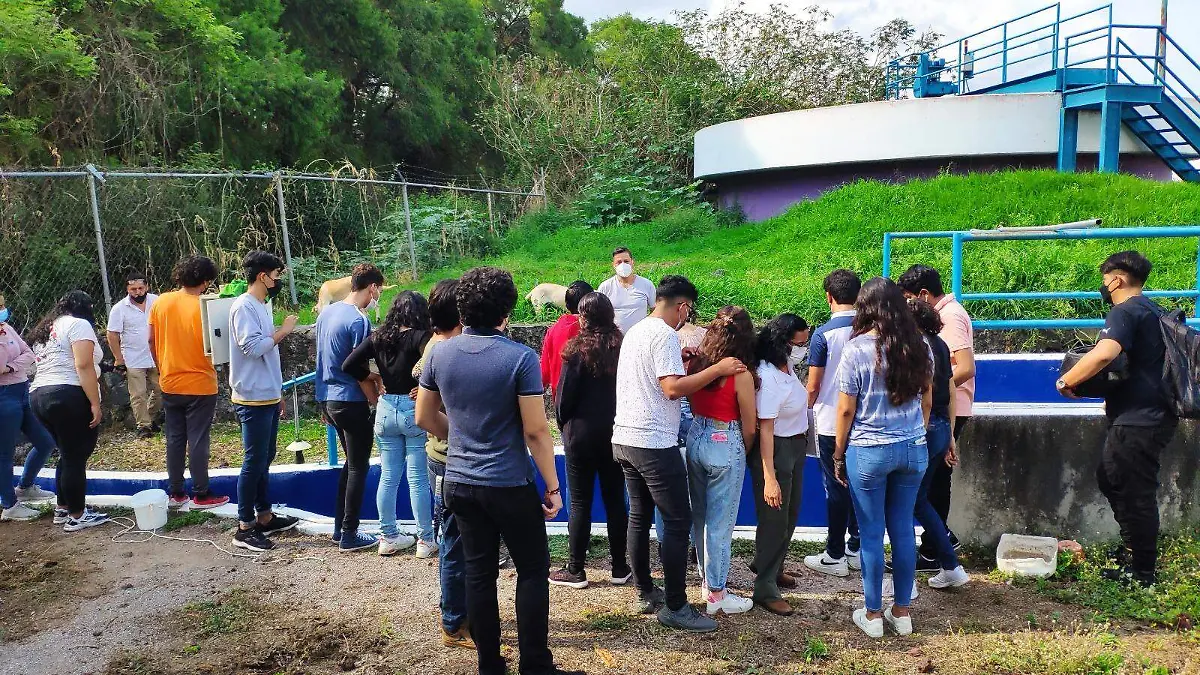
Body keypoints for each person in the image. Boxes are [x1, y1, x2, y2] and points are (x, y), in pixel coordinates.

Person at [415, 266, 580, 675]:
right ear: (506, 311)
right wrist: (553, 488)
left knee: (478, 572)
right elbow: (536, 431)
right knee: (532, 571)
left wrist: (462, 437)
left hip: (459, 481)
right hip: (508, 482)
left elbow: (424, 417)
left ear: (462, 309)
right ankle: (535, 665)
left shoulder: (439, 354)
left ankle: (489, 664)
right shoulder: (519, 359)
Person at [611, 274, 746, 633]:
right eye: (689, 310)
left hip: (625, 437)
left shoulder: (637, 330)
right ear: (683, 307)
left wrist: (682, 361)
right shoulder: (665, 335)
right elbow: (672, 389)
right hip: (653, 442)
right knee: (676, 520)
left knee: (639, 515)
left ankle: (645, 591)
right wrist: (718, 369)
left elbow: (656, 376)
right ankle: (675, 605)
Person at [1057, 251, 1177, 587]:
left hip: (1140, 419)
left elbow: (1105, 353)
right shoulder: (1153, 310)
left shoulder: (1125, 310)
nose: (1104, 286)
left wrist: (1066, 381)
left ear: (1117, 279)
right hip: (1146, 415)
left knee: (1134, 491)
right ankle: (1133, 552)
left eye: (1105, 279)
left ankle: (1142, 573)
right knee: (1112, 478)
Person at [832, 277, 932, 639]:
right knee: (903, 529)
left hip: (868, 449)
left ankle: (873, 614)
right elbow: (927, 400)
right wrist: (915, 433)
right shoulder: (920, 344)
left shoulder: (856, 349)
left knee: (871, 534)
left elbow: (846, 410)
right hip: (912, 447)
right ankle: (902, 612)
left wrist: (838, 453)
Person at [550, 292, 631, 589]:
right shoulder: (622, 347)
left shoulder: (575, 350)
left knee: (580, 501)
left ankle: (576, 568)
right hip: (615, 431)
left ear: (584, 318)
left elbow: (563, 399)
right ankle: (620, 566)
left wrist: (564, 425)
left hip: (580, 434)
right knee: (615, 499)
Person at [897, 264, 974, 569]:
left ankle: (935, 549)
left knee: (928, 490)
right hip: (943, 413)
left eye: (908, 298)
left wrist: (932, 388)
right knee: (929, 488)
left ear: (924, 294)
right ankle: (939, 546)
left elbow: (965, 367)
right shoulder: (939, 333)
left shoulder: (949, 318)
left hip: (940, 412)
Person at [344, 290, 432, 557]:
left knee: (389, 475)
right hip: (412, 406)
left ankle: (388, 536)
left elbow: (349, 364)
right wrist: (423, 386)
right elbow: (434, 364)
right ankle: (425, 540)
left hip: (385, 408)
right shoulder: (421, 337)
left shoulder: (379, 336)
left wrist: (373, 377)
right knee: (417, 478)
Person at [685, 306, 759, 617]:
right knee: (721, 523)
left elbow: (692, 401)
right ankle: (717, 592)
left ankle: (707, 581)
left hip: (696, 434)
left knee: (700, 516)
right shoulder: (740, 373)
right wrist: (744, 448)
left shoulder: (697, 364)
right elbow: (750, 425)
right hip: (725, 439)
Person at [411, 278, 473, 649]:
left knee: (461, 540)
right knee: (454, 541)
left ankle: (462, 612)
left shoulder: (438, 346)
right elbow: (426, 414)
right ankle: (454, 622)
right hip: (449, 458)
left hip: (446, 456)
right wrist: (461, 434)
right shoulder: (444, 350)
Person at [228, 251, 301, 552]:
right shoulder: (243, 307)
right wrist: (284, 330)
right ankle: (245, 526)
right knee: (254, 461)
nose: (278, 280)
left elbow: (268, 354)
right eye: (276, 275)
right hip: (252, 397)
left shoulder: (262, 305)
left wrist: (277, 391)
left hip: (267, 394)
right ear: (263, 276)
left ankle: (265, 516)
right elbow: (254, 348)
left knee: (265, 458)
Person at [149, 255, 229, 509]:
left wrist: (162, 367)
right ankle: (201, 493)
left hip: (170, 381)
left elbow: (151, 340)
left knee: (174, 438)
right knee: (198, 439)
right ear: (205, 281)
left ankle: (175, 492)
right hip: (200, 383)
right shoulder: (209, 305)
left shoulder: (161, 301)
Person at [316, 262, 385, 552]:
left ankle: (339, 528)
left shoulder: (327, 313)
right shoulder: (359, 320)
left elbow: (322, 357)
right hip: (349, 399)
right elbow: (357, 368)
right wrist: (375, 395)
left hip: (327, 398)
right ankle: (349, 533)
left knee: (351, 463)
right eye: (379, 291)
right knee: (359, 466)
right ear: (372, 287)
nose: (378, 296)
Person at [27, 291, 109, 531]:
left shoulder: (48, 329)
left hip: (39, 395)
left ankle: (63, 508)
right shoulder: (79, 325)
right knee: (76, 456)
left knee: (67, 453)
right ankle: (77, 515)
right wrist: (95, 403)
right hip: (67, 394)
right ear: (85, 307)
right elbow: (83, 365)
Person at [905, 299, 969, 589]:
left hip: (925, 427)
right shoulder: (941, 345)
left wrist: (918, 432)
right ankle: (949, 563)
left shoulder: (918, 347)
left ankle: (932, 567)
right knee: (920, 499)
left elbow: (926, 398)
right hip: (941, 426)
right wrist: (950, 435)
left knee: (910, 501)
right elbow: (952, 390)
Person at [749, 314, 810, 615]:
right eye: (798, 344)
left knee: (790, 514)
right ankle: (765, 587)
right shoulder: (768, 378)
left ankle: (772, 566)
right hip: (777, 449)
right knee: (774, 520)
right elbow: (766, 429)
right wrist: (769, 477)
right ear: (783, 343)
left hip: (795, 446)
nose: (802, 349)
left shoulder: (786, 367)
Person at [804, 269, 862, 577]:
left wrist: (802, 408)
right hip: (863, 421)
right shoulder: (872, 329)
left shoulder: (823, 334)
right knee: (860, 485)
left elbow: (813, 385)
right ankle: (856, 547)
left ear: (829, 297)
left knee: (836, 487)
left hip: (829, 421)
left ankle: (835, 553)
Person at [1, 294, 58, 521]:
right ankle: (9, 505)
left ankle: (25, 487)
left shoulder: (7, 328)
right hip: (4, 397)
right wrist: (10, 366)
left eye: (3, 305)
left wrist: (11, 367)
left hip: (22, 391)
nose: (3, 310)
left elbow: (29, 353)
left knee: (45, 441)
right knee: (4, 454)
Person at [106, 270, 161, 438]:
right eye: (133, 289)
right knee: (138, 394)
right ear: (127, 290)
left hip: (156, 355)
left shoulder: (157, 302)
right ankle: (143, 426)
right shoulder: (119, 308)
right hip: (133, 357)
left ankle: (150, 418)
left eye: (140, 288)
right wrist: (119, 359)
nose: (137, 292)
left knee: (161, 389)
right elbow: (112, 334)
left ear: (147, 287)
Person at [540, 281, 592, 396]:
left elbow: (544, 372)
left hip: (560, 395)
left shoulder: (553, 330)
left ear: (567, 305)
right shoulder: (593, 330)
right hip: (588, 396)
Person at [598, 247, 657, 334]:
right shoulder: (605, 287)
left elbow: (655, 311)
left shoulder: (647, 285)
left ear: (632, 262)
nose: (623, 265)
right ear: (613, 265)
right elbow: (598, 314)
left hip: (641, 336)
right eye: (619, 262)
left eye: (626, 261)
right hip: (614, 338)